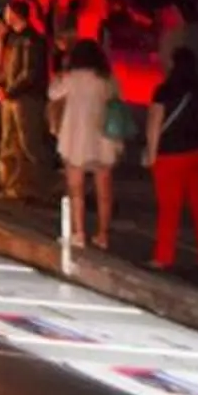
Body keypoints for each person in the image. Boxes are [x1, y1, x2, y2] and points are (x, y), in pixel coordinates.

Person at [146, 45, 198, 270]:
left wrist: (151, 155)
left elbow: (154, 126)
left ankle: (164, 257)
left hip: (170, 156)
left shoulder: (163, 91)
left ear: (173, 65)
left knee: (169, 209)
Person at [48, 38, 121, 248]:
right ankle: (102, 235)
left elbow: (52, 93)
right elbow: (117, 100)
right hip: (103, 138)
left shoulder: (72, 78)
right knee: (104, 192)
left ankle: (78, 233)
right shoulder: (107, 79)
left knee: (76, 189)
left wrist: (59, 75)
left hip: (76, 138)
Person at [0, 0, 53, 202]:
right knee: (8, 141)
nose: (5, 16)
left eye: (7, 12)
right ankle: (10, 183)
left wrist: (9, 90)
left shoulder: (32, 40)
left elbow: (29, 72)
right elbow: (7, 67)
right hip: (11, 97)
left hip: (26, 99)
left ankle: (40, 185)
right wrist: (1, 86)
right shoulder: (11, 38)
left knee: (30, 143)